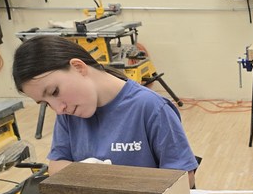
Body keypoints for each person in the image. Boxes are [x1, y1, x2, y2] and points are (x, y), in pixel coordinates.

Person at [12, 35, 198, 186]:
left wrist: (117, 179)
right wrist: (88, 172)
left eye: (54, 91)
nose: (58, 109)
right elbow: (56, 165)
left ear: (78, 67)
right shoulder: (68, 113)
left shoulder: (150, 107)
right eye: (45, 103)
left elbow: (184, 178)